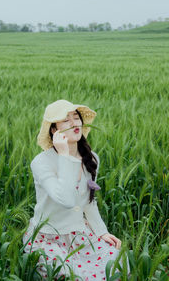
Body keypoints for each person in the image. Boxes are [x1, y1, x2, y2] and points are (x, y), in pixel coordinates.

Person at [23, 99, 129, 280]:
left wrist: (101, 231)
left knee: (117, 261)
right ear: (54, 130)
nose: (74, 123)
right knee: (70, 275)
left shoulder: (91, 158)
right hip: (49, 237)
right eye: (66, 120)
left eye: (76, 117)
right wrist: (64, 155)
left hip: (80, 233)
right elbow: (67, 200)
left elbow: (88, 202)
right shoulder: (41, 162)